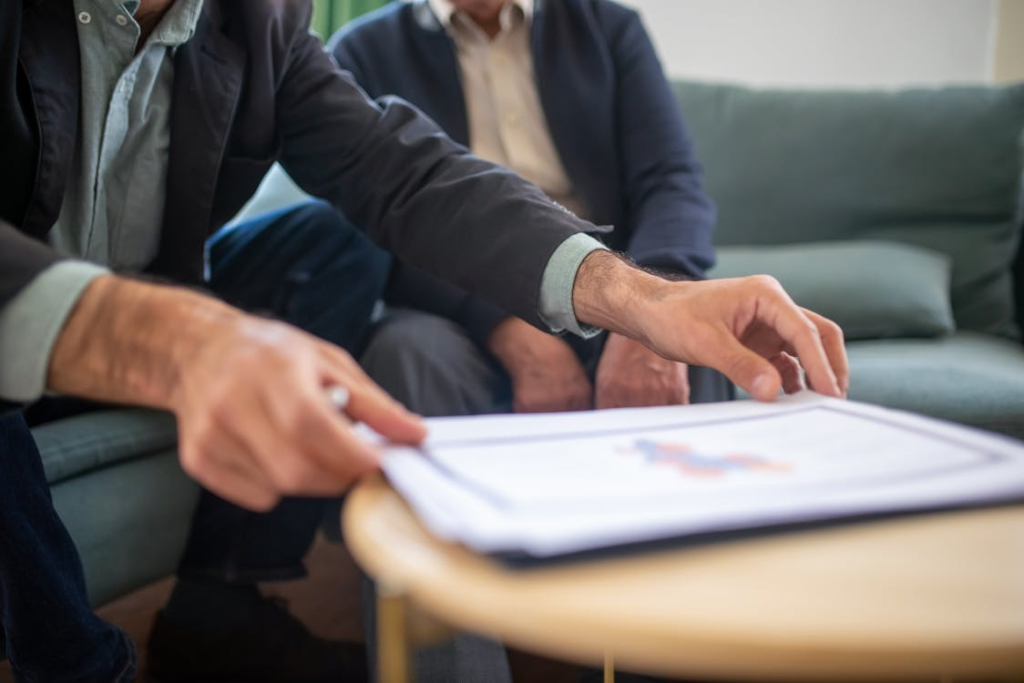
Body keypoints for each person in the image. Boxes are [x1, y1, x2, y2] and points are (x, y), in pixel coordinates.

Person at [0, 1, 847, 682]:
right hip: (29, 329)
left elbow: (403, 174)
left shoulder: (263, 21)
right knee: (405, 350)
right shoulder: (370, 36)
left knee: (337, 240)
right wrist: (170, 337)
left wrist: (646, 299)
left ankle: (219, 608)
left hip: (567, 276)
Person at [331, 0, 734, 418]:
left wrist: (650, 309)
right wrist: (504, 327)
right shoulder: (363, 51)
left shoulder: (609, 27)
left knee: (694, 344)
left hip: (616, 285)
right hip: (460, 310)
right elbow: (378, 219)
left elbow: (671, 183)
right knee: (407, 352)